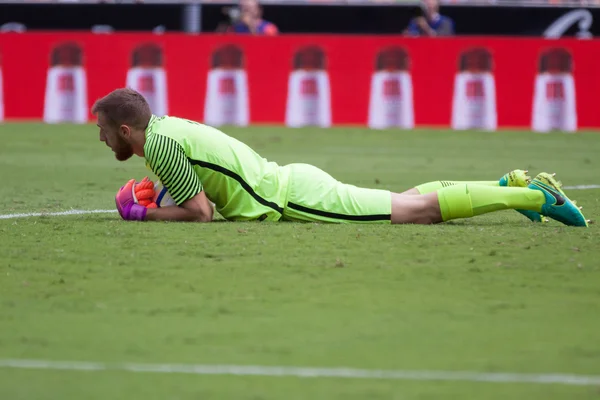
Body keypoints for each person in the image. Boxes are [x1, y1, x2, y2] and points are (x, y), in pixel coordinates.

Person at [92, 88, 589, 227]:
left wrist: (144, 214)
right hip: (291, 181)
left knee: (417, 211)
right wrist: (155, 192)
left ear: (125, 129)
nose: (101, 139)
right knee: (405, 199)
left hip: (290, 198)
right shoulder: (165, 131)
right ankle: (506, 186)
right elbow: (201, 178)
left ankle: (533, 194)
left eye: (103, 131)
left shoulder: (155, 145)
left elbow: (201, 212)